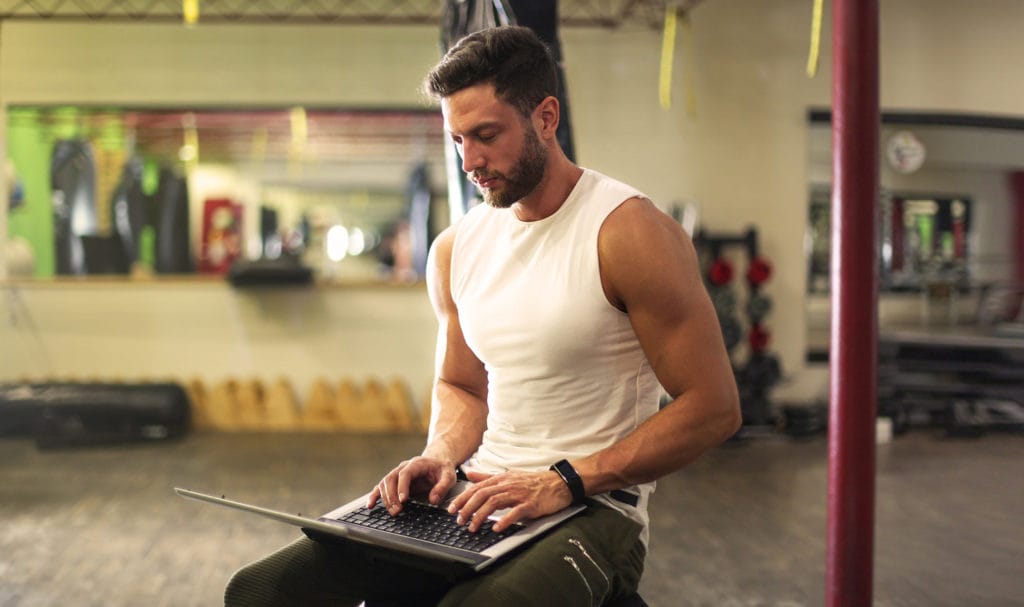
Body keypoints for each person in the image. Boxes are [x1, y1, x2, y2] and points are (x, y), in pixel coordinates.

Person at [224, 25, 740, 607]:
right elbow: (461, 385)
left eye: (486, 135)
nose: (470, 160)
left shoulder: (627, 232)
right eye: (457, 140)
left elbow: (714, 407)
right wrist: (440, 455)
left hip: (591, 508)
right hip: (475, 494)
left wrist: (562, 480)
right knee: (261, 592)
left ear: (546, 117)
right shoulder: (456, 247)